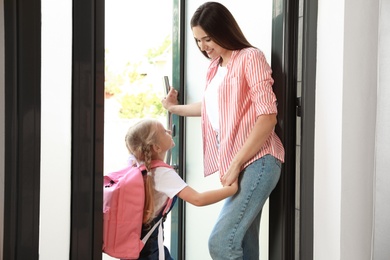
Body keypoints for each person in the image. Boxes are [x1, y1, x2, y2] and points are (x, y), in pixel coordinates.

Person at [162, 2, 285, 259]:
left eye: (207, 38)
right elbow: (210, 108)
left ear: (224, 30)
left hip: (259, 160)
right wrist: (174, 109)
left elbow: (268, 117)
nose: (203, 47)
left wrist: (235, 163)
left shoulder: (250, 57)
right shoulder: (214, 67)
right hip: (240, 165)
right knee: (245, 244)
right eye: (197, 40)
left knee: (220, 242)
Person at [124, 118, 238, 260]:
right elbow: (198, 199)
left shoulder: (137, 166)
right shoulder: (161, 173)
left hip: (136, 243)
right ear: (157, 147)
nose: (170, 131)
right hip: (149, 247)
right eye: (164, 131)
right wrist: (231, 190)